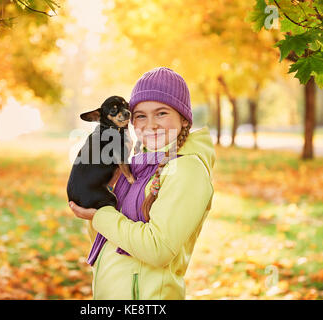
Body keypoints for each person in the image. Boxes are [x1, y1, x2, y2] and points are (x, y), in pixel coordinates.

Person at [69, 67, 216, 299]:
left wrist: (98, 215)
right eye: (140, 115)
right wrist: (97, 193)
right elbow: (108, 238)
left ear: (184, 119)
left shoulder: (187, 169)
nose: (150, 125)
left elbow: (158, 249)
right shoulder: (135, 165)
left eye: (161, 113)